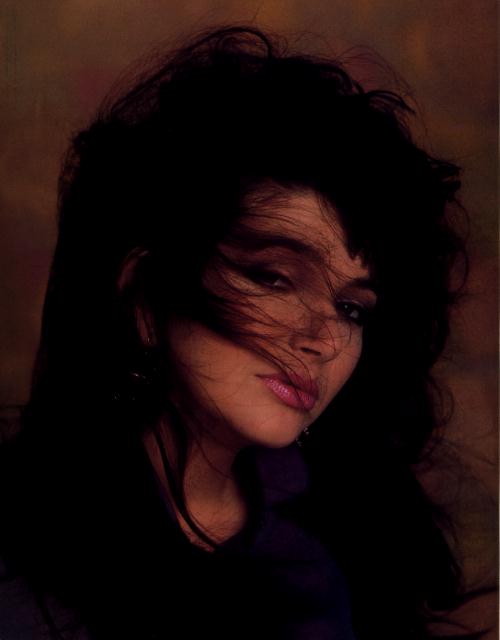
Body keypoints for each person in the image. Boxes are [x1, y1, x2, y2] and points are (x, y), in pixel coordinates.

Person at [0, 25, 486, 640]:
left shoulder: (345, 537)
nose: (323, 339)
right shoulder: (23, 551)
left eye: (351, 309)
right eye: (274, 278)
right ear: (145, 292)